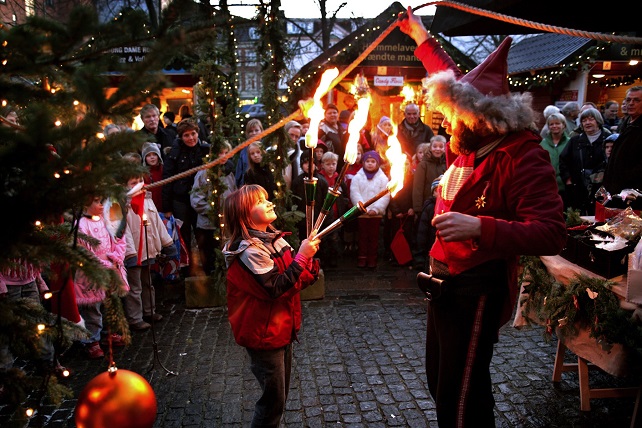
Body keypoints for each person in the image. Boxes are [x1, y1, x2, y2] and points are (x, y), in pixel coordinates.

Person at [400, 8, 566, 427]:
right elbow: (452, 76)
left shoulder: (524, 157)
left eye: (459, 114)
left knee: (459, 394)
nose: (451, 121)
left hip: (476, 285)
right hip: (443, 281)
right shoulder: (470, 140)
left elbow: (551, 233)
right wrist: (420, 35)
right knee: (444, 381)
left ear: (487, 118)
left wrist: (480, 227)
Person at [222, 184, 320, 428]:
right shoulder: (249, 251)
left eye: (266, 198)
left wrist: (308, 260)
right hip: (263, 335)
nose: (268, 203)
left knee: (279, 396)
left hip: (281, 329)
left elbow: (295, 281)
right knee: (272, 401)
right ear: (245, 214)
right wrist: (302, 257)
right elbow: (276, 288)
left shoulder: (275, 240)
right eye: (260, 202)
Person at [75, 194, 129, 357]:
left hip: (111, 270)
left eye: (102, 201)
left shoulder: (107, 220)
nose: (101, 205)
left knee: (110, 304)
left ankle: (108, 333)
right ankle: (92, 340)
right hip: (91, 274)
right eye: (96, 201)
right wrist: (102, 264)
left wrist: (117, 256)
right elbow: (83, 251)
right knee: (93, 311)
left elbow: (119, 237)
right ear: (85, 204)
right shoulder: (81, 225)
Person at [124, 175, 177, 330]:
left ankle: (149, 311)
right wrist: (130, 252)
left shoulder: (147, 198)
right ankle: (135, 317)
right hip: (133, 251)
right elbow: (123, 230)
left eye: (140, 179)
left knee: (148, 283)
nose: (137, 184)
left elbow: (157, 223)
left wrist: (167, 243)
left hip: (148, 249)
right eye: (133, 180)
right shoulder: (122, 203)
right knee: (135, 287)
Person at [162, 118, 211, 277]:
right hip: (181, 200)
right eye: (186, 135)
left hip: (200, 200)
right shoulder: (175, 153)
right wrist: (167, 207)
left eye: (193, 133)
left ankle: (208, 268)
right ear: (181, 137)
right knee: (184, 237)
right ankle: (187, 271)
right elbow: (167, 179)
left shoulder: (205, 149)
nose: (191, 138)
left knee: (203, 235)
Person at [190, 141, 237, 275]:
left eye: (226, 153)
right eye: (220, 153)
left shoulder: (228, 173)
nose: (223, 156)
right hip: (208, 225)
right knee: (210, 257)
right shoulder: (204, 173)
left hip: (226, 223)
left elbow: (233, 192)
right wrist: (212, 211)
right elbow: (196, 198)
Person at [559, 107, 608, 215]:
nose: (587, 123)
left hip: (601, 189)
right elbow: (563, 160)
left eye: (591, 119)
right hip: (578, 188)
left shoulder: (608, 139)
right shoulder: (575, 141)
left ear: (598, 121)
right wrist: (568, 179)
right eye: (584, 120)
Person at [349, 150, 390, 268]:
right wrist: (361, 207)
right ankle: (362, 258)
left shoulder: (383, 178)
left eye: (373, 161)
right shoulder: (357, 177)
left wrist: (377, 209)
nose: (370, 164)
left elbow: (385, 195)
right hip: (362, 213)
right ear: (363, 162)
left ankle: (372, 258)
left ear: (378, 163)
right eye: (367, 161)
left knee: (373, 236)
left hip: (375, 214)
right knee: (362, 236)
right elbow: (354, 192)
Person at [603, 86, 642, 195]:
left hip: (632, 193)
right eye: (628, 100)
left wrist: (627, 182)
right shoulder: (626, 123)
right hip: (616, 190)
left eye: (636, 100)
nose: (631, 103)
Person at [290, 149, 329, 248]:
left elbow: (326, 202)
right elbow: (293, 201)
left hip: (318, 221)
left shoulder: (322, 182)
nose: (309, 165)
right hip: (302, 221)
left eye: (311, 162)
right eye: (306, 163)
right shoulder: (297, 182)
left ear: (316, 164)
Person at [540, 112, 570, 206]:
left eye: (557, 123)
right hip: (547, 187)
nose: (554, 126)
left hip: (565, 187)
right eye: (551, 124)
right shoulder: (542, 144)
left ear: (563, 125)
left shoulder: (570, 142)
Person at [412, 135, 447, 217]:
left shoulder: (447, 164)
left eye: (441, 146)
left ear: (444, 149)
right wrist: (417, 209)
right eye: (435, 146)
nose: (438, 149)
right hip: (427, 206)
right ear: (430, 148)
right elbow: (418, 188)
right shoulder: (423, 165)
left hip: (442, 206)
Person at [416, 175, 442, 272]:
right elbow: (422, 230)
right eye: (437, 190)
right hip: (430, 242)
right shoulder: (429, 207)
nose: (439, 193)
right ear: (433, 192)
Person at [235, 118, 263, 187]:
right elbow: (239, 174)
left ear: (261, 131)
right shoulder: (244, 152)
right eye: (251, 131)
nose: (254, 133)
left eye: (256, 130)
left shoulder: (266, 149)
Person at [318, 103, 347, 169]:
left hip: (342, 163)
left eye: (334, 112)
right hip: (329, 165)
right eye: (329, 113)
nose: (332, 115)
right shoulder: (322, 129)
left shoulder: (342, 128)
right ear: (325, 115)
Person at [142, 142, 164, 212]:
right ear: (145, 158)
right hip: (150, 208)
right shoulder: (143, 174)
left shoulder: (164, 170)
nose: (152, 157)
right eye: (148, 155)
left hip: (164, 207)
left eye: (154, 154)